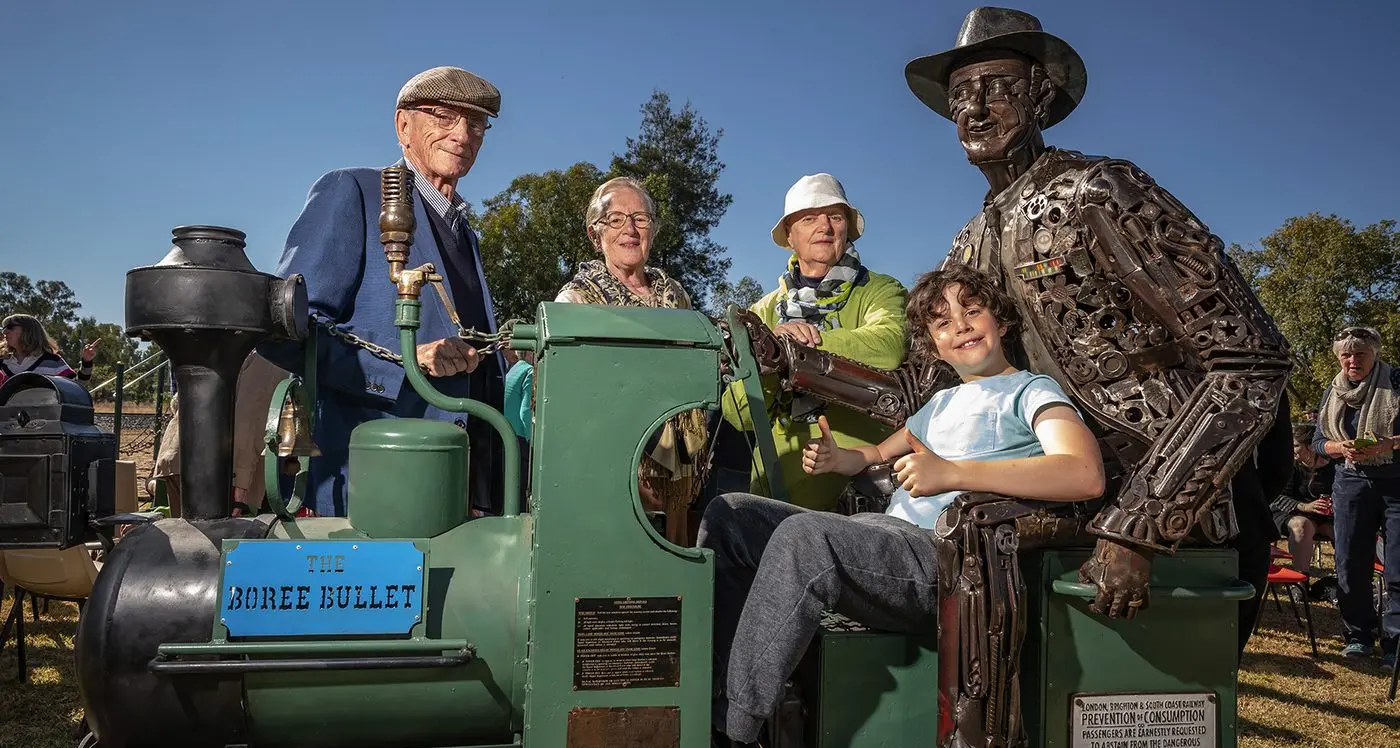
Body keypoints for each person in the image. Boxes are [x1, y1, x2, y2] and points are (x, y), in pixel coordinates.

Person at [903, 8, 1292, 742]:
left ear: (1042, 96)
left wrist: (1142, 524)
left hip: (1171, 491)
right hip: (1061, 480)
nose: (974, 110)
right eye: (960, 97)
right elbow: (921, 390)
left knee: (981, 527)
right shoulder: (974, 238)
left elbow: (1249, 359)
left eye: (995, 87)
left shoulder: (1100, 191)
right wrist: (800, 366)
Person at [700, 264, 1104, 746]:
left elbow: (1083, 473)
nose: (962, 327)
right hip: (884, 537)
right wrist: (841, 457)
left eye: (973, 312)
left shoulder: (1029, 391)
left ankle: (732, 731)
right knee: (731, 515)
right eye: (944, 323)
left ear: (1001, 322)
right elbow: (877, 454)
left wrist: (954, 473)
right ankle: (723, 686)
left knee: (805, 538)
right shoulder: (942, 402)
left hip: (949, 561)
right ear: (933, 344)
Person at [259, 66, 508, 518]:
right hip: (373, 485)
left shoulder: (466, 235)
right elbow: (284, 327)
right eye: (443, 116)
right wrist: (408, 364)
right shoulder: (353, 192)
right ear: (403, 125)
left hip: (461, 489)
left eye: (475, 124)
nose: (462, 134)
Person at [723, 173, 908, 512]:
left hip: (861, 491)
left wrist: (804, 345)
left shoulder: (882, 290)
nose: (824, 226)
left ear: (847, 230)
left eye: (835, 217)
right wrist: (768, 360)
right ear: (790, 237)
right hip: (774, 490)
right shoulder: (762, 311)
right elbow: (738, 414)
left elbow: (889, 345)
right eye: (809, 218)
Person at [555, 176, 708, 542]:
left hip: (684, 468)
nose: (630, 229)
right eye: (616, 219)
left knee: (676, 565)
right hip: (612, 469)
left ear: (653, 232)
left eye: (641, 219)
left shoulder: (676, 294)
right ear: (596, 235)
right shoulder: (577, 300)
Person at [1311, 325, 1399, 667]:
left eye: (1359, 353)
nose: (1352, 360)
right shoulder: (1332, 391)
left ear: (1374, 354)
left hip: (1395, 483)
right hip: (1350, 484)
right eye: (1346, 354)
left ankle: (1395, 644)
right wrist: (1338, 447)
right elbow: (1319, 442)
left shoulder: (1396, 380)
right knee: (1349, 564)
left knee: (1397, 568)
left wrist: (1388, 444)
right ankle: (1358, 636)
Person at [152, 352, 289, 515]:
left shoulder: (229, 342)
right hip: (218, 472)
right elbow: (248, 420)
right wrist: (240, 486)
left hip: (181, 456)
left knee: (189, 536)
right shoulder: (269, 357)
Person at [1270, 423, 1335, 580]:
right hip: (1292, 512)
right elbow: (1276, 496)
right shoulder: (1290, 466)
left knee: (1342, 529)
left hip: (1327, 517)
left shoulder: (1334, 467)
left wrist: (1334, 505)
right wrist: (1304, 506)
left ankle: (1344, 580)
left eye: (1296, 445)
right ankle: (1301, 580)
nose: (1291, 450)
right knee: (1301, 525)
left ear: (1311, 446)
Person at [1, 314, 98, 388]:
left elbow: (77, 385)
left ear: (29, 330)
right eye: (3, 329)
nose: (4, 332)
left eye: (10, 327)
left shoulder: (52, 361)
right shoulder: (2, 363)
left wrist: (86, 362)